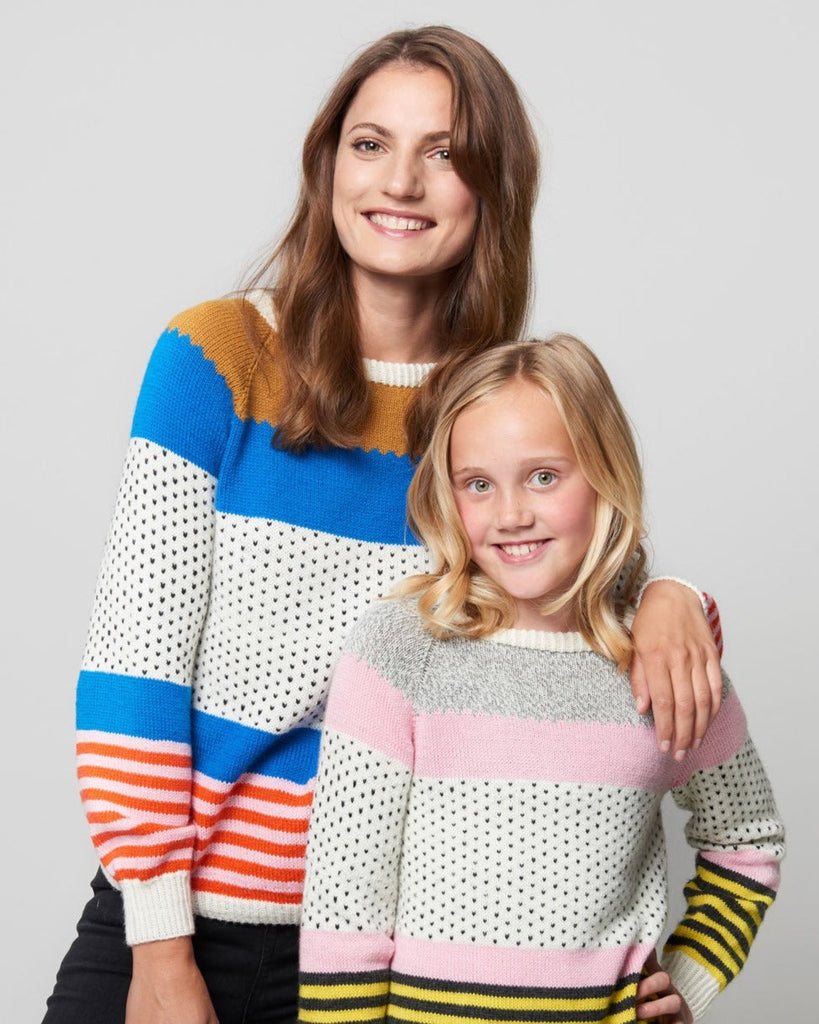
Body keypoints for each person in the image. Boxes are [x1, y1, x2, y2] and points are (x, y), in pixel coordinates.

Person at [44, 25, 724, 1024]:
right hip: (180, 923)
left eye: (442, 153)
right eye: (371, 144)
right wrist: (160, 947)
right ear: (328, 166)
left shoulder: (494, 406)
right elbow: (132, 673)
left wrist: (669, 596)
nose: (399, 181)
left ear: (492, 190)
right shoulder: (217, 356)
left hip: (397, 961)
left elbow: (587, 590)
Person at [298, 336, 784, 1024]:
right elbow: (345, 903)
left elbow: (747, 840)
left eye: (544, 477)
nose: (510, 515)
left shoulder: (662, 665)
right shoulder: (402, 649)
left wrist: (689, 981)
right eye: (478, 484)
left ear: (605, 473)